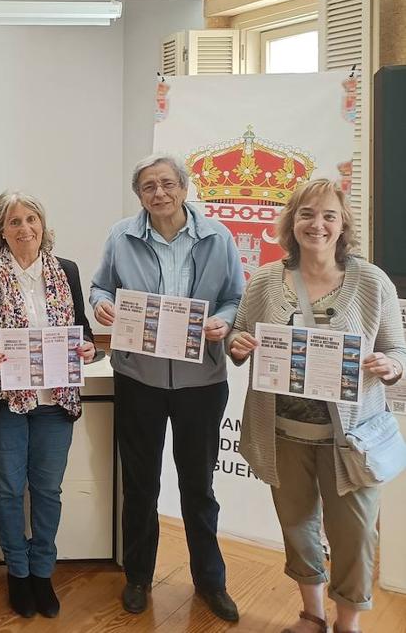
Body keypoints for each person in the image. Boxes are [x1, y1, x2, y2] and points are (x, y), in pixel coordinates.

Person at [228, 179, 405, 633]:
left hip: (351, 439)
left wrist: (390, 364)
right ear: (291, 221)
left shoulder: (371, 281)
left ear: (343, 223)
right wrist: (239, 343)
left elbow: (396, 349)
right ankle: (312, 614)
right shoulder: (267, 279)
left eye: (328, 215)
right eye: (307, 213)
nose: (317, 224)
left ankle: (348, 623)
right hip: (283, 431)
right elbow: (239, 334)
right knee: (297, 525)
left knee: (356, 535)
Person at [89, 154, 244, 621]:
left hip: (201, 380)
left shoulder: (218, 237)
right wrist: (103, 307)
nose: (159, 193)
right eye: (148, 187)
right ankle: (138, 576)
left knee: (199, 484)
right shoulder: (122, 235)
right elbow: (100, 288)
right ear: (139, 195)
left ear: (184, 187)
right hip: (139, 377)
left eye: (167, 184)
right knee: (140, 486)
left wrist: (221, 321)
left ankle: (210, 582)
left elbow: (235, 296)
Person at [0, 191, 98, 619]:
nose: (24, 228)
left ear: (43, 224)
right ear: (1, 230)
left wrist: (88, 347)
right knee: (8, 490)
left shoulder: (66, 271)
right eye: (14, 221)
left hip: (56, 400)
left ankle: (42, 571)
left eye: (31, 218)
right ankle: (17, 573)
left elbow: (83, 330)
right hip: (4, 401)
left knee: (48, 491)